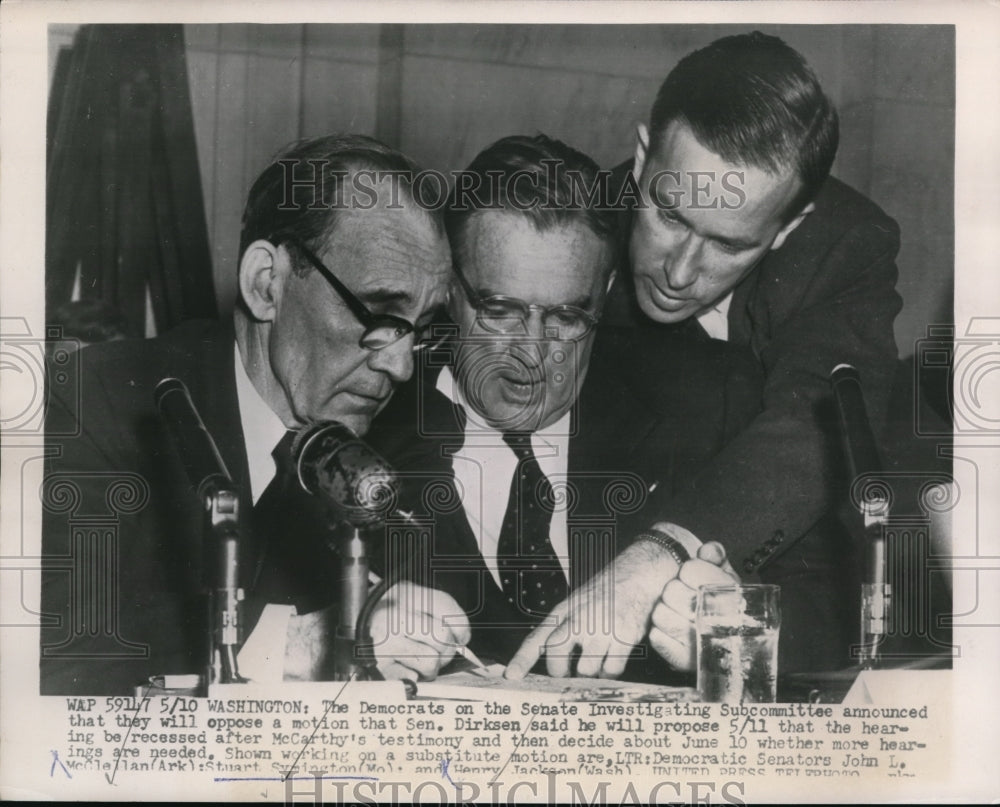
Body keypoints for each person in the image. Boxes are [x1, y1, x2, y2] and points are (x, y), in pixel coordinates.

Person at [508, 31, 903, 677]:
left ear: (791, 225)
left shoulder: (841, 248)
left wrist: (664, 552)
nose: (678, 272)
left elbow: (811, 424)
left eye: (728, 244)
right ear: (639, 160)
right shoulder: (561, 230)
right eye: (667, 213)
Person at [40, 134, 465, 694]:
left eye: (422, 329)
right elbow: (54, 666)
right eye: (380, 314)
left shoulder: (407, 431)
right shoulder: (96, 403)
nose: (401, 367)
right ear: (267, 283)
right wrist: (307, 646)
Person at [368, 134, 761, 675]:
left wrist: (728, 642)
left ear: (606, 293)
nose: (531, 354)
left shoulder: (709, 400)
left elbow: (826, 628)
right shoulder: (359, 424)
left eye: (568, 319)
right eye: (500, 310)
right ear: (446, 291)